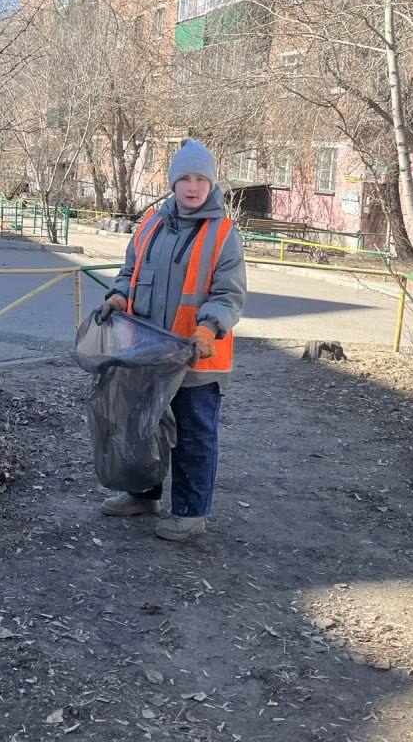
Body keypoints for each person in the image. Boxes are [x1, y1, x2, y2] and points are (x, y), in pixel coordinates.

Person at [95, 139, 247, 543]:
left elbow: (228, 293)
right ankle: (143, 495)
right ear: (173, 182)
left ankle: (191, 513)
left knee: (194, 435)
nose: (192, 186)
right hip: (147, 353)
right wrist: (118, 296)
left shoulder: (223, 234)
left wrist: (208, 327)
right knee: (143, 427)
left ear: (211, 184)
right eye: (185, 178)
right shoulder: (150, 225)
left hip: (198, 357)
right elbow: (129, 272)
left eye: (201, 179)